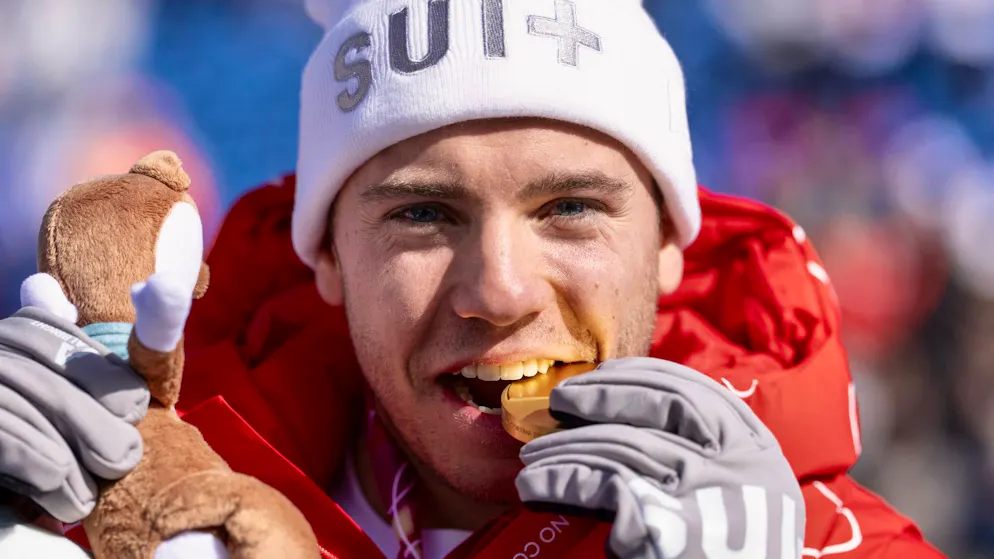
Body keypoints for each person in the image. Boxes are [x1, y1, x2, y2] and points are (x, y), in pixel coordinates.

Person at [0, 1, 946, 558]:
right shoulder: (135, 493)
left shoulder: (834, 541)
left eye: (570, 207)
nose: (498, 291)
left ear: (667, 244)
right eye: (422, 214)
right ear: (325, 254)